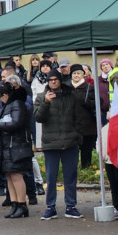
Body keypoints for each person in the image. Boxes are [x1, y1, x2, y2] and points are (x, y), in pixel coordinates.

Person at [34, 68, 82, 220]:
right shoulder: (41, 97)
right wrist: (47, 103)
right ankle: (50, 207)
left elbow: (78, 118)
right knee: (51, 177)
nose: (53, 82)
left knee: (70, 177)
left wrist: (77, 136)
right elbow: (38, 117)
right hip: (51, 144)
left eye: (55, 79)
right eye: (50, 80)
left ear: (60, 80)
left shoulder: (71, 97)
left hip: (70, 142)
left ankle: (71, 206)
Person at [0, 80, 34, 219]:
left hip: (16, 145)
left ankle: (22, 204)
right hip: (7, 145)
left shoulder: (17, 104)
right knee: (9, 176)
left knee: (16, 176)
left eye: (1, 96)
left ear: (6, 95)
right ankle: (14, 204)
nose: (0, 99)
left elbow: (17, 123)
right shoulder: (6, 106)